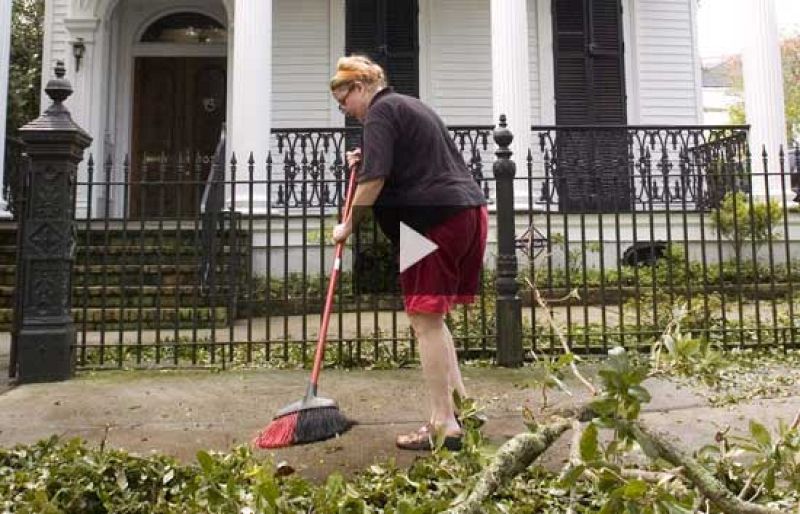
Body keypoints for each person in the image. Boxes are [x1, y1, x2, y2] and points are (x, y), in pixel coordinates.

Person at [329, 55, 488, 451]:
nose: (344, 110)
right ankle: (462, 408)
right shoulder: (408, 105)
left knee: (424, 321)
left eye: (343, 99)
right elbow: (407, 161)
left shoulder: (380, 113)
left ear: (361, 87)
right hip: (465, 211)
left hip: (429, 221)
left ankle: (443, 424)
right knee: (433, 318)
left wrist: (348, 222)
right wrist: (366, 156)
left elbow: (374, 181)